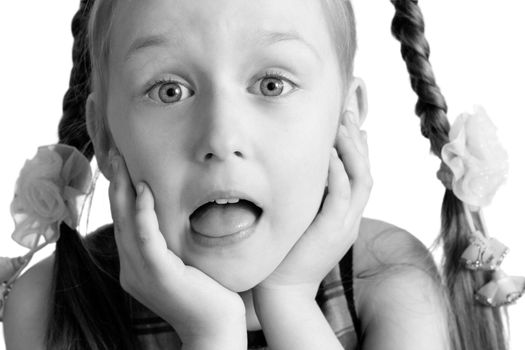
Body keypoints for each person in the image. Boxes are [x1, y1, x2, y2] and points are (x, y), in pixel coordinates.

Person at [1, 0, 517, 349]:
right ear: (107, 133)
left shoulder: (387, 278)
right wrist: (211, 336)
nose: (221, 137)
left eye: (272, 84)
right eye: (169, 90)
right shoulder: (52, 307)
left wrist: (290, 301)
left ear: (345, 119)